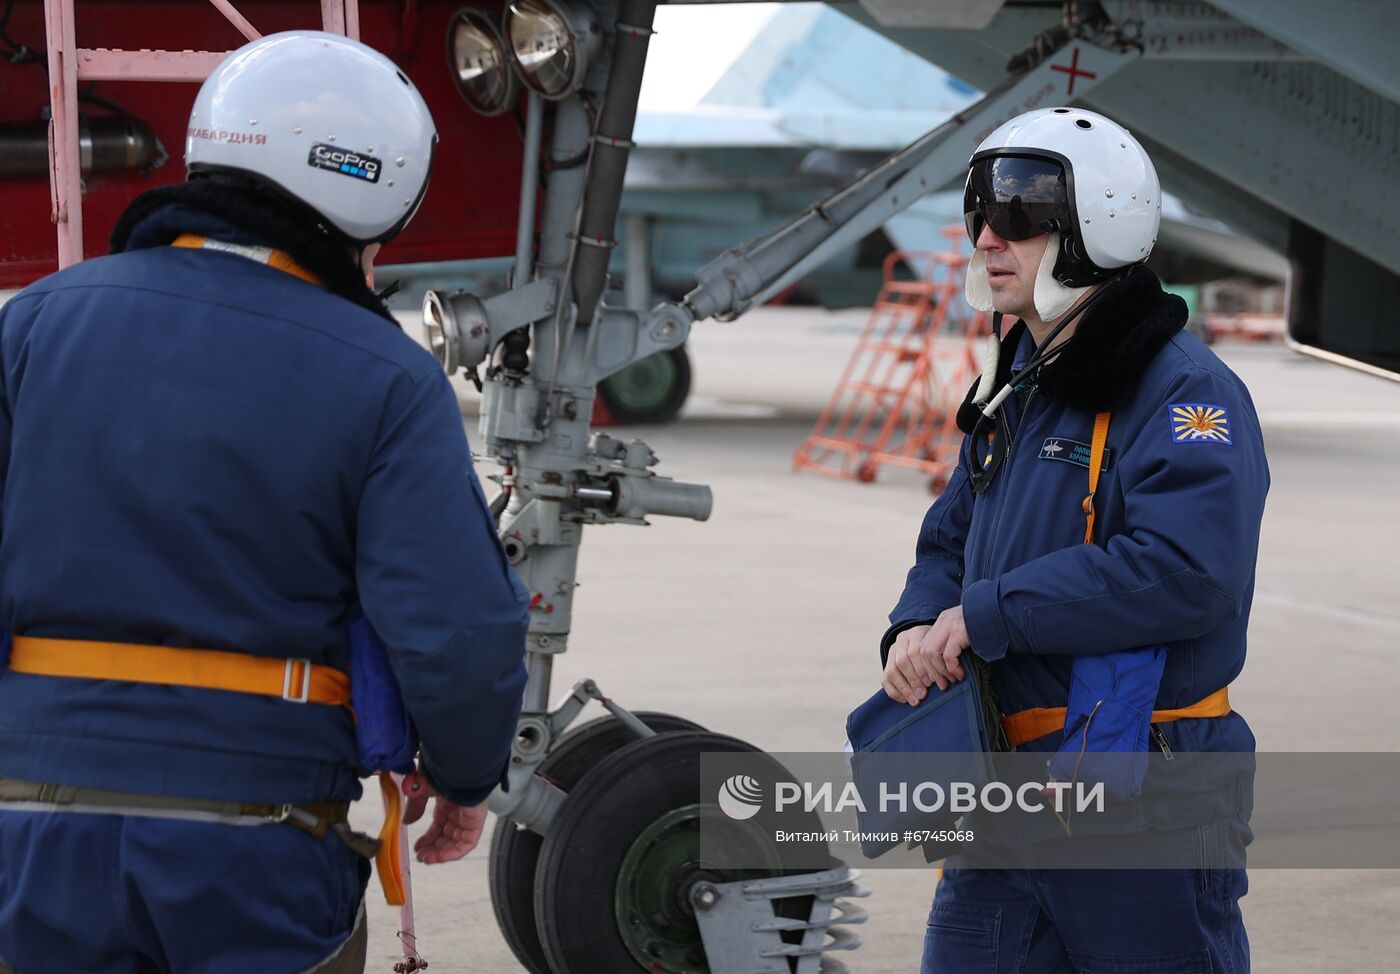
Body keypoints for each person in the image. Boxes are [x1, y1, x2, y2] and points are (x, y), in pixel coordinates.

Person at [0, 31, 528, 973]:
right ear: (376, 191)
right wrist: (462, 774)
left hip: (23, 830)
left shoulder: (35, 322)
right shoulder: (386, 377)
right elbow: (455, 628)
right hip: (251, 839)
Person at [881, 108, 1268, 972]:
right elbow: (952, 537)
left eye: (1017, 215)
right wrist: (917, 626)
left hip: (1145, 795)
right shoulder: (1022, 380)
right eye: (980, 209)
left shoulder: (1184, 393)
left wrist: (986, 617)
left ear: (1099, 225)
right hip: (1001, 792)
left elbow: (1186, 573)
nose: (986, 237)